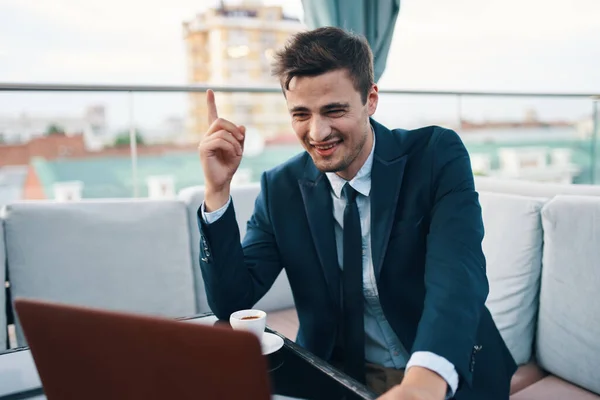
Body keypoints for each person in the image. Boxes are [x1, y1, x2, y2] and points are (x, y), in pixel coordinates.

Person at [196, 27, 516, 400]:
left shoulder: (435, 156)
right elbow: (233, 302)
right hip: (343, 381)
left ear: (371, 99)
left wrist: (422, 383)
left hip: (443, 371)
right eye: (301, 114)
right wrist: (217, 191)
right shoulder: (279, 188)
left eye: (334, 110)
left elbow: (458, 275)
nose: (317, 132)